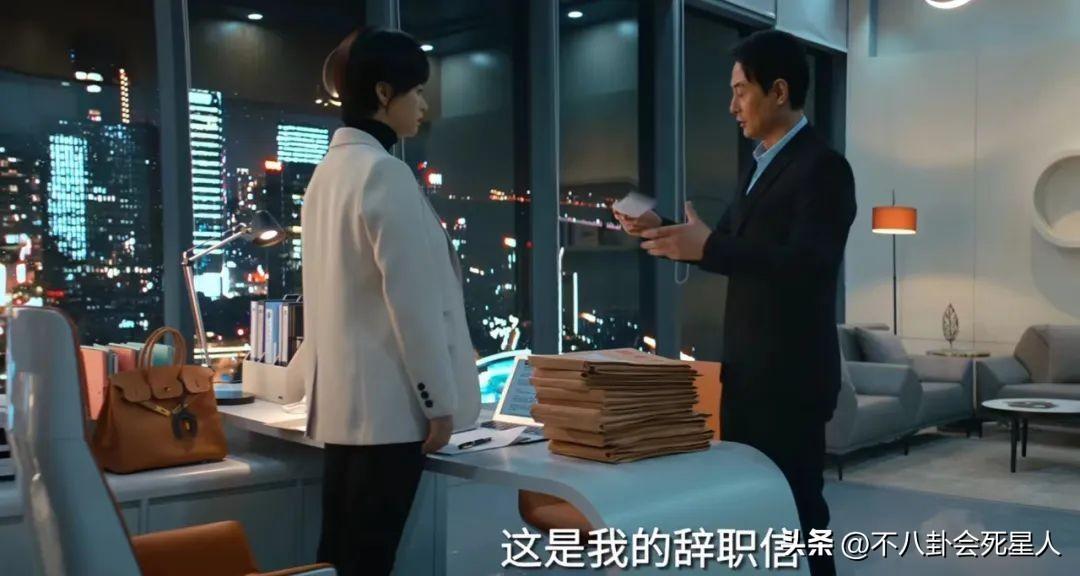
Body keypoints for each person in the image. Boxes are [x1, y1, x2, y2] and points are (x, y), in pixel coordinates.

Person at [614, 30, 855, 576]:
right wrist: (660, 229)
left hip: (791, 380)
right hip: (748, 373)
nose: (731, 105)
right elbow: (726, 247)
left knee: (800, 514)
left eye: (740, 91)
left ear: (779, 91)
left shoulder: (824, 168)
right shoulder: (759, 165)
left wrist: (710, 246)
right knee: (756, 515)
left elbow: (810, 265)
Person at [300, 27, 480, 576]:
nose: (424, 105)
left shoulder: (326, 175)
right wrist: (438, 403)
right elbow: (412, 302)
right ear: (383, 93)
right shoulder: (385, 173)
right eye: (417, 91)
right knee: (370, 560)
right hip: (391, 416)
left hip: (343, 411)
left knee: (338, 558)